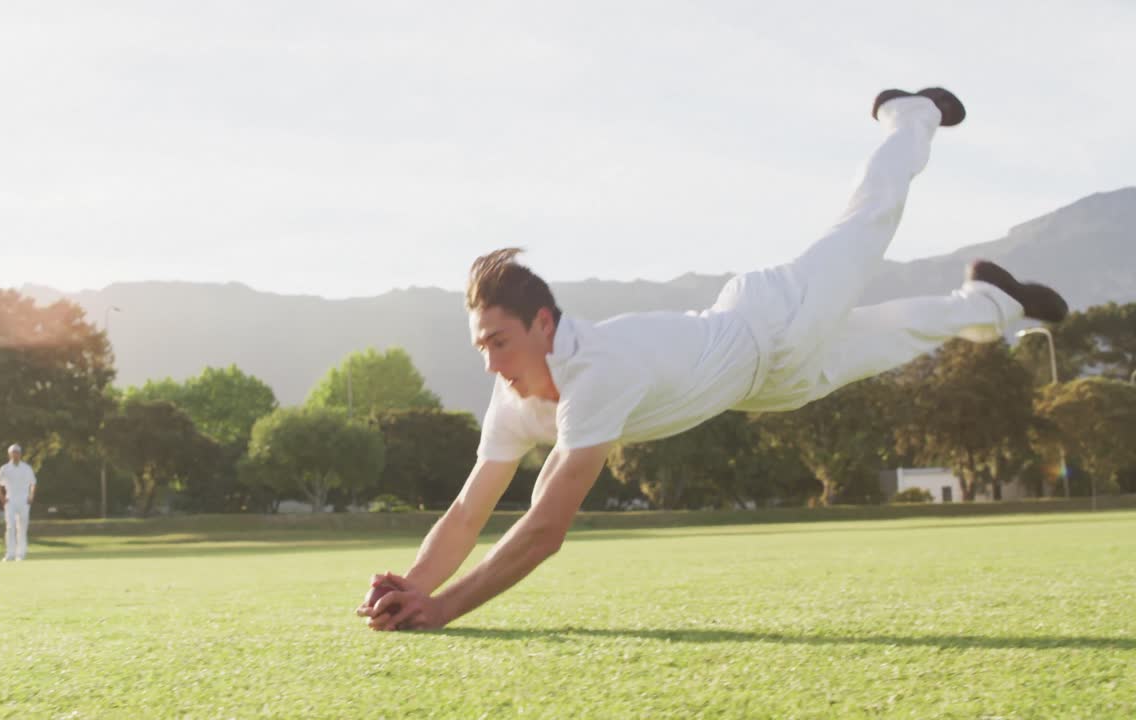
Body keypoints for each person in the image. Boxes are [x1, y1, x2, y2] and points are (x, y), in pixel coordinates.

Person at [356, 87, 1067, 631]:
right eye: (480, 345)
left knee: (867, 220)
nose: (489, 362)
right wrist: (417, 585)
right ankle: (993, 302)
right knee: (895, 335)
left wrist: (444, 608)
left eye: (499, 341)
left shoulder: (594, 372)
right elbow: (465, 510)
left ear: (544, 324)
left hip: (771, 316)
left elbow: (544, 529)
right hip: (768, 383)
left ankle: (908, 114)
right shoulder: (512, 397)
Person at [0, 443, 37, 562]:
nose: (15, 454)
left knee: (22, 527)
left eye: (17, 452)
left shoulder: (26, 468)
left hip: (23, 500)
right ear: (9, 454)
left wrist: (31, 496)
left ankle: (21, 554)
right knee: (10, 526)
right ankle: (10, 553)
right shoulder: (5, 468)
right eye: (13, 452)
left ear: (20, 454)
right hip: (10, 500)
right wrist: (2, 498)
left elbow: (33, 483)